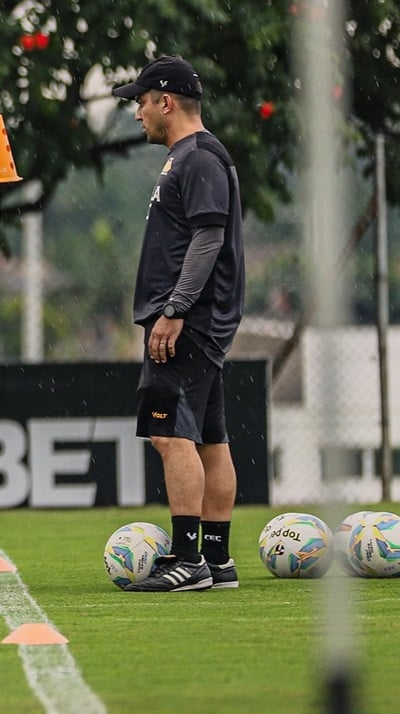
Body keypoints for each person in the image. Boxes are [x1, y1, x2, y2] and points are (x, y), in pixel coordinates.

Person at [112, 56, 246, 592]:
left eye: (141, 101)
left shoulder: (198, 158)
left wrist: (173, 310)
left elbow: (208, 238)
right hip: (197, 321)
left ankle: (188, 561)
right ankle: (217, 560)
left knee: (169, 436)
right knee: (209, 440)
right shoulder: (189, 158)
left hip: (187, 322)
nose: (138, 112)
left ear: (165, 101)